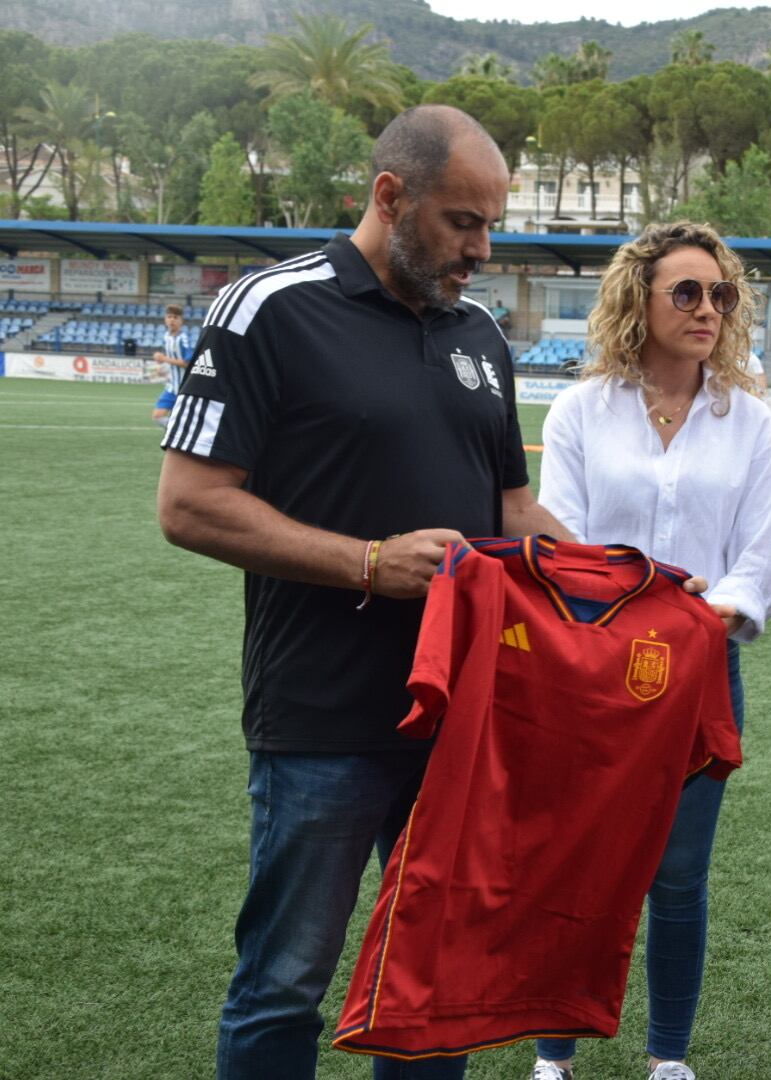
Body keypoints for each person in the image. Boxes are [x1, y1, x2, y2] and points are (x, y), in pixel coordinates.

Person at [156, 105, 583, 1080]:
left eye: (491, 224)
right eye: (462, 222)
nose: (483, 248)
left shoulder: (480, 334)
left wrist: (623, 586)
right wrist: (367, 562)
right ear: (390, 197)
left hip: (460, 722)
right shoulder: (271, 308)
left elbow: (512, 507)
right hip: (322, 721)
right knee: (284, 984)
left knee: (433, 981)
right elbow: (188, 504)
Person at [530, 220, 771, 1080]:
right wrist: (642, 619)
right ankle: (553, 1057)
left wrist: (702, 621)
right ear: (638, 299)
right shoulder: (578, 410)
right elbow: (561, 548)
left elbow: (756, 566)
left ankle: (668, 1058)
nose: (707, 307)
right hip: (592, 675)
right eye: (686, 291)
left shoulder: (749, 421)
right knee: (579, 866)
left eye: (721, 294)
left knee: (678, 879)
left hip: (703, 675)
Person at [150, 303, 191, 425]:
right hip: (171, 387)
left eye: (175, 317)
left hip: (184, 388)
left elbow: (187, 363)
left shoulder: (183, 338)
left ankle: (178, 434)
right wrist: (162, 366)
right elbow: (171, 359)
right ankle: (176, 433)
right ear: (165, 319)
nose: (172, 320)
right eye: (169, 317)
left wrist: (164, 358)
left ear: (181, 321)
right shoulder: (166, 336)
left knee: (180, 418)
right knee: (157, 416)